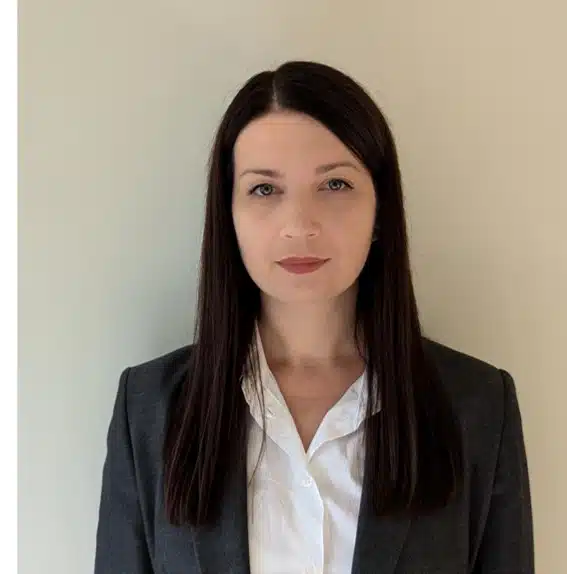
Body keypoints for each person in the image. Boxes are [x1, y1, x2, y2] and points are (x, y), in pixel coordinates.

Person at [94, 61, 534, 573]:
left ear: (380, 213)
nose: (299, 225)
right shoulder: (148, 412)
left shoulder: (477, 407)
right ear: (228, 216)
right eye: (264, 189)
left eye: (335, 185)